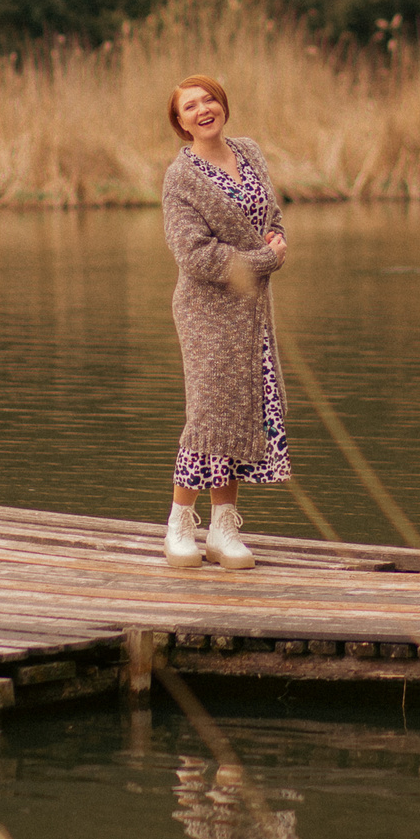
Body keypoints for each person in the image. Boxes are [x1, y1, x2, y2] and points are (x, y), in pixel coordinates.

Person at [159, 74, 291, 569]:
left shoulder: (250, 151)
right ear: (180, 123)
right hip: (205, 310)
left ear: (223, 104)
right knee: (209, 413)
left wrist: (276, 240)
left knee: (239, 411)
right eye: (189, 106)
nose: (202, 109)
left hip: (251, 308)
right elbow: (194, 255)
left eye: (208, 98)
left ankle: (223, 529)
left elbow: (271, 217)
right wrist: (264, 260)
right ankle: (178, 525)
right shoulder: (181, 178)